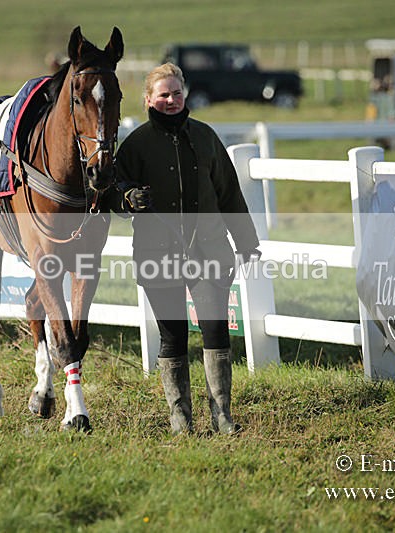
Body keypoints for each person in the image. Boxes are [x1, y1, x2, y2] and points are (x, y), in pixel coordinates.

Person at [113, 63, 260, 435]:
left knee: (215, 330)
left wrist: (247, 243)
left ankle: (222, 416)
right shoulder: (136, 144)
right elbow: (112, 194)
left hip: (209, 251)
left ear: (185, 94)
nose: (171, 100)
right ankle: (181, 420)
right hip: (157, 254)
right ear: (149, 99)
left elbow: (229, 193)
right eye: (163, 94)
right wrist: (129, 198)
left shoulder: (206, 137)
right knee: (173, 335)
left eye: (176, 93)